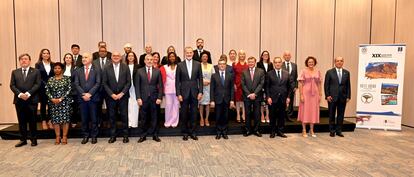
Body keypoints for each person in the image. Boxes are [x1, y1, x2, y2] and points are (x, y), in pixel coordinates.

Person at [10, 53, 41, 147]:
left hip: (31, 100)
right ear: (19, 61)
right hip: (19, 100)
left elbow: (37, 84)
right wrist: (20, 94)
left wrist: (28, 94)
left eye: (26, 59)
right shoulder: (15, 72)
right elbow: (12, 85)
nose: (24, 60)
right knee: (21, 121)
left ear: (29, 61)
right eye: (22, 59)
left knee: (32, 121)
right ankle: (23, 139)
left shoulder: (36, 71)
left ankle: (33, 139)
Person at [102, 52, 131, 143]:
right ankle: (113, 136)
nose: (116, 57)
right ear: (111, 57)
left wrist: (122, 93)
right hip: (111, 97)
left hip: (123, 96)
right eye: (114, 56)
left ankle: (125, 136)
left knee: (124, 116)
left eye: (117, 56)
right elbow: (104, 83)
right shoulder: (106, 68)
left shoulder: (125, 67)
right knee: (112, 117)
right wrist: (112, 94)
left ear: (120, 57)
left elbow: (128, 82)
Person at [176, 47, 203, 141]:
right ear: (184, 53)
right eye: (187, 52)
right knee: (184, 113)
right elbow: (177, 81)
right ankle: (185, 133)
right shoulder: (179, 65)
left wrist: (200, 92)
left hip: (195, 93)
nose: (189, 54)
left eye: (190, 52)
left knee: (194, 113)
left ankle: (193, 132)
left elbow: (201, 79)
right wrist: (178, 94)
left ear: (193, 53)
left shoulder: (198, 64)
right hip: (183, 93)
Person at [135, 54, 163, 143]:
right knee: (143, 118)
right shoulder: (139, 71)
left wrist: (159, 97)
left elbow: (161, 86)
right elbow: (137, 86)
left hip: (155, 98)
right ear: (144, 61)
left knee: (155, 117)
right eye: (148, 59)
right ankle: (143, 135)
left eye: (151, 59)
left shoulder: (157, 71)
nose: (150, 61)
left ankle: (155, 134)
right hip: (143, 99)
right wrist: (138, 98)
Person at [74, 53, 101, 144]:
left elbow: (98, 83)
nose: (83, 59)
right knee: (84, 119)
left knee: (94, 118)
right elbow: (76, 84)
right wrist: (83, 94)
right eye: (83, 58)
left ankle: (94, 136)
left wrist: (89, 94)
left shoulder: (97, 70)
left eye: (86, 57)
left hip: (93, 98)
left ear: (91, 59)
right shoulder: (78, 70)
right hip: (82, 99)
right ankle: (85, 135)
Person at [266, 57, 294, 138]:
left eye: (279, 62)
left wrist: (288, 97)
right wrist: (268, 97)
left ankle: (280, 131)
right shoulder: (269, 74)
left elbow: (290, 87)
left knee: (282, 116)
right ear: (274, 64)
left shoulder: (287, 73)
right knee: (272, 116)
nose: (277, 64)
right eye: (276, 62)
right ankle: (272, 132)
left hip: (283, 98)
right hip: (272, 98)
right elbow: (267, 87)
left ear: (281, 63)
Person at [46, 62, 73, 145]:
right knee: (55, 121)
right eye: (55, 68)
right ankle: (57, 136)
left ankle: (64, 136)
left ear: (62, 69)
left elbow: (69, 90)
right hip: (53, 103)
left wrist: (61, 98)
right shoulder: (50, 79)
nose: (57, 70)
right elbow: (47, 90)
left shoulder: (67, 79)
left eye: (59, 68)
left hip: (64, 102)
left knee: (65, 120)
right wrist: (52, 98)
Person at [324, 56, 351, 137]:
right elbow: (326, 85)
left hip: (343, 97)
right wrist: (327, 95)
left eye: (341, 61)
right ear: (335, 62)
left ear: (343, 62)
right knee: (331, 114)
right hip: (332, 97)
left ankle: (339, 131)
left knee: (341, 114)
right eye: (337, 61)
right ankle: (332, 131)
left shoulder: (347, 72)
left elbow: (348, 85)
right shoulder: (329, 72)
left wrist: (348, 96)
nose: (339, 62)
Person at [297, 56, 322, 138]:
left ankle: (311, 130)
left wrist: (320, 94)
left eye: (312, 62)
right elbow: (300, 84)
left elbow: (319, 83)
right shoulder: (303, 71)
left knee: (313, 111)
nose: (311, 63)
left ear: (314, 63)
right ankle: (303, 130)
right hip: (305, 93)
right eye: (309, 62)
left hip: (315, 94)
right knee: (305, 111)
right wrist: (301, 94)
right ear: (307, 63)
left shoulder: (318, 71)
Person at [210, 59, 235, 140]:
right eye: (220, 64)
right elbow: (212, 89)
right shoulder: (214, 76)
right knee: (217, 116)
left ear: (225, 65)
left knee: (225, 116)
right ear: (218, 65)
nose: (222, 65)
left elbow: (231, 88)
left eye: (223, 64)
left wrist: (232, 100)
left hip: (227, 99)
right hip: (217, 100)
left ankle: (224, 132)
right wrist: (212, 100)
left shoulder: (230, 75)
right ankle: (218, 132)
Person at [241, 56, 265, 137]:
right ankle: (248, 130)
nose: (251, 63)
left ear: (255, 62)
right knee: (247, 114)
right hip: (247, 96)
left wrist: (255, 93)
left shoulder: (261, 71)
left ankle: (256, 130)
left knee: (257, 114)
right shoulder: (244, 72)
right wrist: (249, 94)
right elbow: (243, 84)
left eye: (252, 62)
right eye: (249, 62)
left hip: (257, 96)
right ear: (248, 62)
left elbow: (261, 83)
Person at [35, 48, 55, 130]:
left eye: (47, 53)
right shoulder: (38, 64)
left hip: (52, 87)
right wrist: (45, 84)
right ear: (41, 55)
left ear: (49, 55)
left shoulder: (53, 64)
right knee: (43, 104)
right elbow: (38, 76)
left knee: (51, 104)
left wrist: (50, 84)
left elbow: (54, 75)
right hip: (42, 87)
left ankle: (50, 121)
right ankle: (43, 121)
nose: (46, 54)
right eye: (44, 53)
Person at [93, 46, 112, 127]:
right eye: (101, 51)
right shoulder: (94, 62)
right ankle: (99, 122)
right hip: (98, 88)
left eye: (104, 51)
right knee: (98, 106)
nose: (102, 52)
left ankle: (109, 121)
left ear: (106, 53)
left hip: (108, 88)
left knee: (110, 106)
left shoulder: (110, 62)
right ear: (98, 52)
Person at [160, 52, 180, 128]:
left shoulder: (179, 66)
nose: (172, 58)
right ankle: (168, 121)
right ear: (168, 58)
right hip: (167, 88)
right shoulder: (164, 67)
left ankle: (175, 121)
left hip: (177, 89)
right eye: (170, 56)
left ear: (175, 58)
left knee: (176, 105)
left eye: (173, 56)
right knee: (168, 105)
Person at [63, 53, 80, 128]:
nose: (68, 59)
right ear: (64, 59)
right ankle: (66, 122)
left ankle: (74, 121)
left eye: (70, 58)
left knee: (74, 107)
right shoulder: (61, 68)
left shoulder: (76, 68)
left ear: (72, 60)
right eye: (66, 57)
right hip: (63, 91)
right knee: (65, 107)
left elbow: (77, 80)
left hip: (74, 91)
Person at [257, 51, 274, 123]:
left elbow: (272, 74)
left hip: (269, 84)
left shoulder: (271, 64)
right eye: (264, 55)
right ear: (262, 56)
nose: (266, 56)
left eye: (267, 54)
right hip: (261, 84)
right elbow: (258, 74)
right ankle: (262, 115)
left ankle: (267, 115)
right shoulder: (258, 64)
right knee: (261, 101)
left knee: (268, 101)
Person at [199, 51, 215, 127]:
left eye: (206, 56)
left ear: (208, 58)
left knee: (208, 104)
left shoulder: (211, 66)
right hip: (201, 86)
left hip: (209, 87)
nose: (204, 58)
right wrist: (202, 82)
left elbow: (214, 77)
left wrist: (209, 82)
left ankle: (207, 119)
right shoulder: (198, 65)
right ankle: (201, 118)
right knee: (201, 104)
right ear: (201, 58)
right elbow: (196, 77)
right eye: (203, 57)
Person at [282, 51, 298, 121]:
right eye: (286, 55)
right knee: (283, 101)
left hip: (292, 86)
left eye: (288, 55)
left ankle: (289, 116)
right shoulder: (280, 64)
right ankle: (283, 116)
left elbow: (296, 76)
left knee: (291, 101)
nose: (287, 56)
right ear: (283, 56)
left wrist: (296, 86)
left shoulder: (294, 65)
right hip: (283, 86)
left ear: (290, 56)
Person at [126, 52, 140, 128]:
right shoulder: (124, 66)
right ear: (127, 57)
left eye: (132, 56)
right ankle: (129, 122)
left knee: (135, 105)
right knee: (128, 104)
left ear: (134, 57)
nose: (131, 57)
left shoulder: (138, 66)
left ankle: (134, 123)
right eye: (129, 56)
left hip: (135, 87)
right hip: (126, 87)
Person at [233, 50, 248, 123]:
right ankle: (238, 114)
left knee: (244, 100)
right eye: (240, 54)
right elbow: (232, 75)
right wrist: (234, 84)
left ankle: (244, 114)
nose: (242, 55)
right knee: (238, 100)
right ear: (238, 55)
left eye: (243, 54)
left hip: (245, 84)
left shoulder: (247, 64)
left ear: (245, 55)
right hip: (237, 84)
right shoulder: (235, 64)